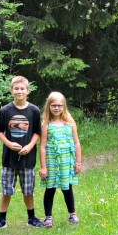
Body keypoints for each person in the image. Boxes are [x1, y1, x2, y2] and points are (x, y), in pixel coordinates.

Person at [0, 76, 44, 229]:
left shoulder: (34, 110)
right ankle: (1, 219)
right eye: (16, 89)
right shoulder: (5, 110)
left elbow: (37, 132)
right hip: (9, 159)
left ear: (28, 91)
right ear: (11, 90)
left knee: (28, 190)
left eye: (22, 89)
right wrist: (9, 144)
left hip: (28, 158)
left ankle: (31, 218)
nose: (19, 91)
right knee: (7, 190)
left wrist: (29, 146)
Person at [38, 91, 82, 227]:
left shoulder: (70, 123)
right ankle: (48, 217)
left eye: (60, 105)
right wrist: (44, 167)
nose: (57, 108)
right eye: (53, 105)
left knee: (67, 188)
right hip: (52, 162)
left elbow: (76, 143)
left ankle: (72, 214)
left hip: (66, 162)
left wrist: (78, 162)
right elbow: (43, 147)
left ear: (64, 106)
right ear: (48, 106)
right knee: (49, 189)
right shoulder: (46, 125)